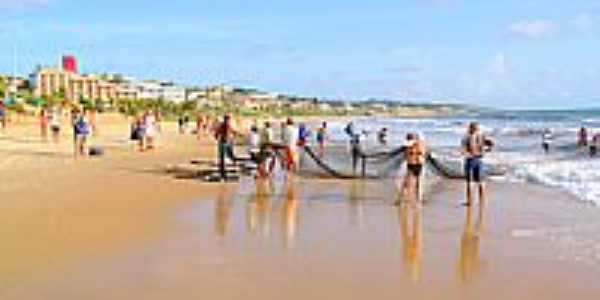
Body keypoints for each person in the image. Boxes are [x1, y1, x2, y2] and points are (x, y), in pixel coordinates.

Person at [462, 122, 492, 206]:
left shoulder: (467, 137)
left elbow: (463, 150)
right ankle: (481, 201)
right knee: (480, 182)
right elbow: (491, 145)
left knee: (471, 182)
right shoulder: (481, 137)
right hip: (478, 159)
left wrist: (468, 153)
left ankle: (470, 201)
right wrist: (485, 150)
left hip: (471, 160)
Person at [401, 133, 427, 203]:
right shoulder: (408, 147)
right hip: (411, 164)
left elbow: (423, 153)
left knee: (418, 182)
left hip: (418, 165)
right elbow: (406, 155)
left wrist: (417, 154)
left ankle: (419, 198)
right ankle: (401, 198)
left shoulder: (421, 145)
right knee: (406, 182)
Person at [214, 115, 238, 180]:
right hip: (225, 142)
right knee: (224, 157)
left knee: (228, 156)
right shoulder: (225, 125)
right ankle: (223, 172)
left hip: (226, 142)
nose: (228, 121)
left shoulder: (225, 125)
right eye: (228, 120)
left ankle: (226, 171)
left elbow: (216, 134)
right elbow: (217, 133)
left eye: (229, 120)